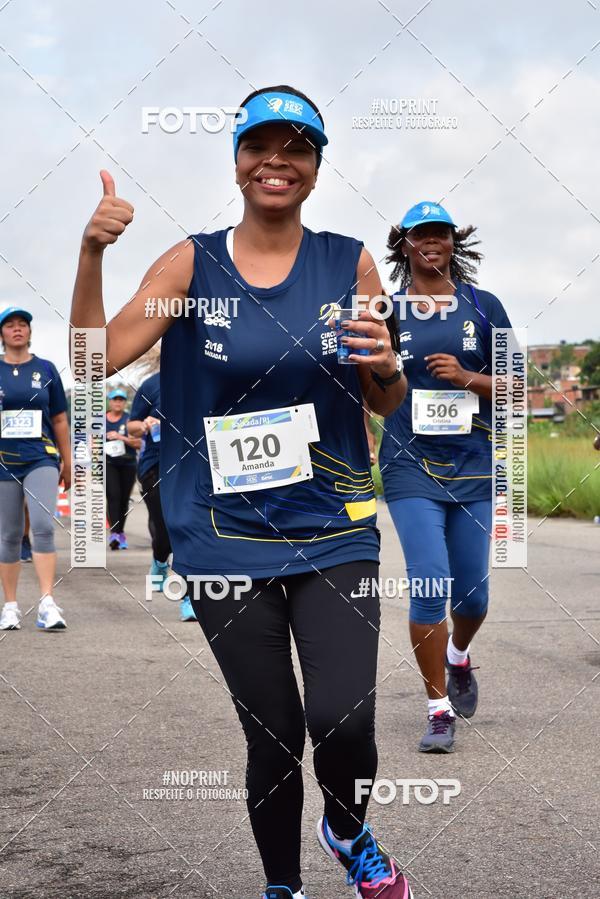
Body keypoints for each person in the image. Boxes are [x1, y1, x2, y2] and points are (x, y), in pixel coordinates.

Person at [71, 85, 414, 899]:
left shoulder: (349, 260)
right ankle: (282, 884)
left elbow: (383, 398)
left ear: (316, 169)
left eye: (297, 149)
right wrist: (90, 255)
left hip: (334, 528)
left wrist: (390, 365)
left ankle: (347, 827)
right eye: (262, 146)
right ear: (237, 161)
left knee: (345, 720)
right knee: (274, 731)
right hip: (222, 537)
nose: (277, 162)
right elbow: (92, 364)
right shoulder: (193, 262)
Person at [379, 201, 513, 753]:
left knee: (474, 599)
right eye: (419, 235)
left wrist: (467, 377)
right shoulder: (386, 309)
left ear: (454, 242)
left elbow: (516, 389)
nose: (430, 243)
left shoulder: (485, 307)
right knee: (430, 584)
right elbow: (362, 380)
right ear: (403, 245)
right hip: (410, 465)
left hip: (475, 465)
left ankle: (458, 656)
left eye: (440, 234)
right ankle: (437, 709)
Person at [0, 307, 71, 631]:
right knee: (10, 533)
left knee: (43, 525)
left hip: (41, 456)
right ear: (2, 334)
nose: (17, 329)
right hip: (3, 460)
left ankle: (47, 603)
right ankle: (10, 606)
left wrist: (67, 459)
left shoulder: (46, 369)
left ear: (30, 331)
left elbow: (58, 418)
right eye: (10, 325)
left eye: (23, 325)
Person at [127, 370, 193, 618]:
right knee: (164, 531)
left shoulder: (202, 374)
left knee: (187, 529)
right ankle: (159, 560)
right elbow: (131, 425)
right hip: (155, 465)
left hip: (192, 465)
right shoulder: (152, 384)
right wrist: (144, 424)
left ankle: (188, 598)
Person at [105, 387, 139, 549]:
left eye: (121, 399)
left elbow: (138, 443)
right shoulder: (101, 420)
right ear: (110, 401)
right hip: (109, 463)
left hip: (128, 462)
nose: (118, 402)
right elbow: (91, 442)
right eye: (115, 399)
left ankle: (120, 532)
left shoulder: (129, 420)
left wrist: (120, 437)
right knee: (113, 496)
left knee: (124, 500)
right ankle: (114, 533)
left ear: (125, 402)